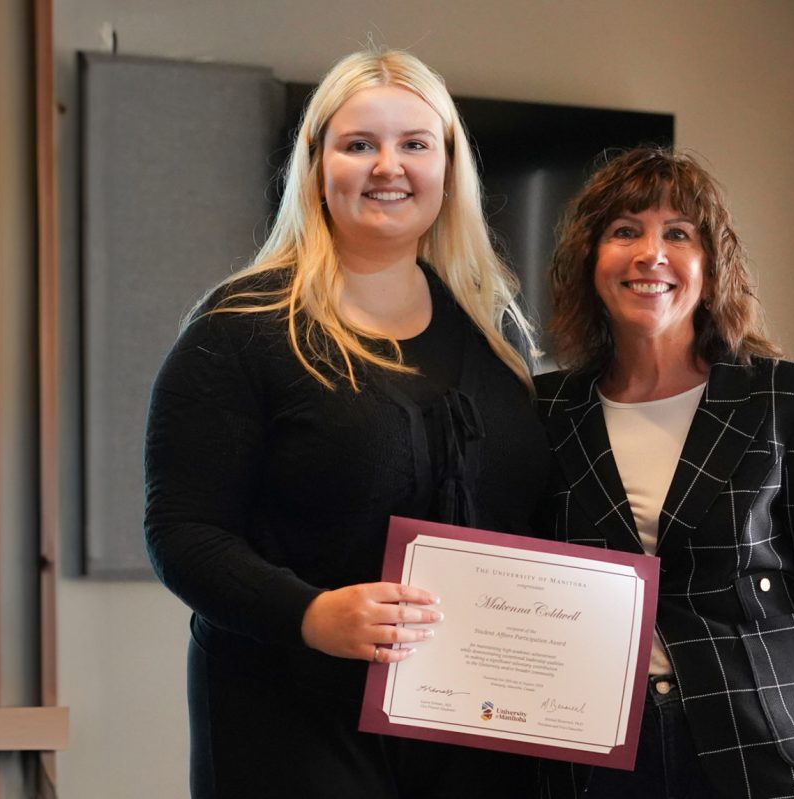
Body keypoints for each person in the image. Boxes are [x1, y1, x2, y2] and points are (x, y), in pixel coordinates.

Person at [144, 48, 549, 798]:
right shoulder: (240, 328)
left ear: (449, 168)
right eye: (359, 144)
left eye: (415, 144)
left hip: (471, 725)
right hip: (291, 721)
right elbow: (183, 532)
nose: (388, 166)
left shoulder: (496, 335)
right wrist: (312, 614)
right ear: (315, 165)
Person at [534, 147, 794, 799]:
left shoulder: (789, 397)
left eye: (678, 234)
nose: (651, 254)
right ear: (590, 260)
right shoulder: (545, 409)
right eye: (625, 231)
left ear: (711, 264)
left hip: (770, 752)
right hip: (596, 759)